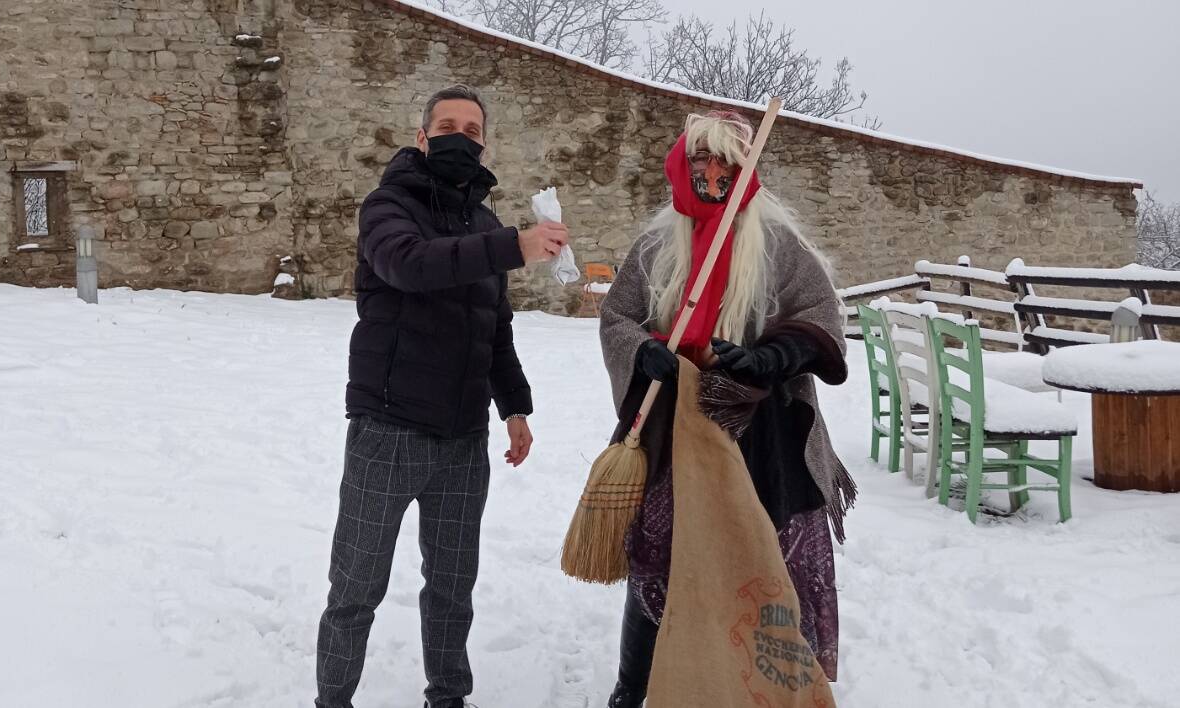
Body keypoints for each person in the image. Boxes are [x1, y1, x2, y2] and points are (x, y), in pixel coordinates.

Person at [315, 84, 570, 708]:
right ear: (423, 138)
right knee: (356, 586)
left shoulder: (481, 224)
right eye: (447, 125)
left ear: (484, 143)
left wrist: (514, 406)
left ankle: (449, 697)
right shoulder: (387, 207)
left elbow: (495, 326)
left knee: (454, 586)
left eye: (473, 128)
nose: (461, 135)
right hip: (388, 430)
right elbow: (410, 265)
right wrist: (514, 246)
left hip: (462, 442)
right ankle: (332, 701)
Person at [598, 111, 855, 707]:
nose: (713, 173)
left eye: (726, 163)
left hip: (766, 432)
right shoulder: (657, 245)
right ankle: (634, 688)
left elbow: (822, 315)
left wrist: (774, 356)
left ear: (745, 170)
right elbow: (617, 318)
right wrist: (644, 353)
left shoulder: (777, 243)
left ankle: (767, 689)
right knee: (660, 555)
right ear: (683, 168)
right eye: (701, 161)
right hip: (676, 425)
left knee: (768, 558)